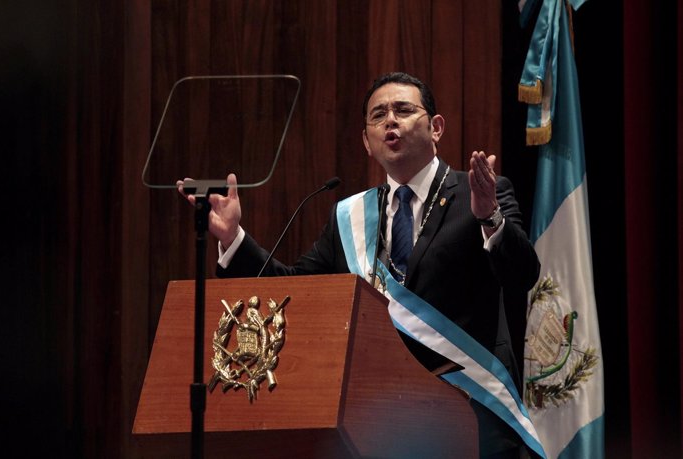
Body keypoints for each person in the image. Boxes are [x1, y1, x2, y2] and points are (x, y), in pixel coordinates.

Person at [178, 72, 540, 458]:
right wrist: (233, 238)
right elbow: (292, 293)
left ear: (436, 128)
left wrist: (490, 219)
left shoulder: (482, 192)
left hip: (469, 412)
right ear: (367, 142)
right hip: (379, 423)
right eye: (378, 115)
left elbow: (522, 276)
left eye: (403, 110)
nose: (391, 121)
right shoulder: (349, 216)